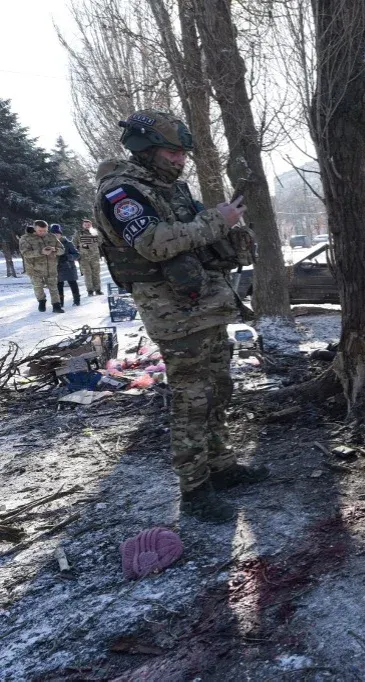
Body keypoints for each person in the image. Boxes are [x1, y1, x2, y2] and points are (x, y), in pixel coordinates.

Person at [93, 109, 263, 522]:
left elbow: (202, 236)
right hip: (174, 313)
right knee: (191, 398)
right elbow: (154, 243)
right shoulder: (121, 193)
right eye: (171, 152)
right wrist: (216, 221)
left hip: (206, 306)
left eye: (182, 153)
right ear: (144, 149)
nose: (179, 160)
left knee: (219, 387)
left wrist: (231, 232)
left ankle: (220, 466)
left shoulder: (173, 190)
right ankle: (194, 488)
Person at [19, 220, 65, 313]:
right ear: (35, 229)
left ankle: (56, 306)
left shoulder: (51, 236)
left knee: (53, 287)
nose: (43, 233)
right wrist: (41, 252)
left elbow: (62, 250)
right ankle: (41, 301)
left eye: (45, 230)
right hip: (34, 269)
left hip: (51, 267)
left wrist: (54, 249)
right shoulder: (25, 238)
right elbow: (25, 253)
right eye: (40, 231)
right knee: (38, 287)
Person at [50, 225, 81, 307]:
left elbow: (77, 255)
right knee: (59, 286)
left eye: (57, 233)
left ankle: (77, 300)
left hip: (69, 267)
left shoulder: (68, 243)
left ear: (60, 234)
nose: (55, 235)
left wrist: (68, 257)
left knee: (73, 284)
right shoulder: (49, 244)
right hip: (56, 268)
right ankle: (60, 302)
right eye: (53, 233)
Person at [76, 219, 104, 295]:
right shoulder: (79, 233)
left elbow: (100, 241)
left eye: (88, 225)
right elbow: (75, 244)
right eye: (85, 225)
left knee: (96, 273)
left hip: (95, 256)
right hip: (84, 257)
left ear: (91, 225)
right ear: (83, 225)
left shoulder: (95, 232)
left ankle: (98, 290)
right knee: (87, 274)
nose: (87, 226)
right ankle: (90, 291)